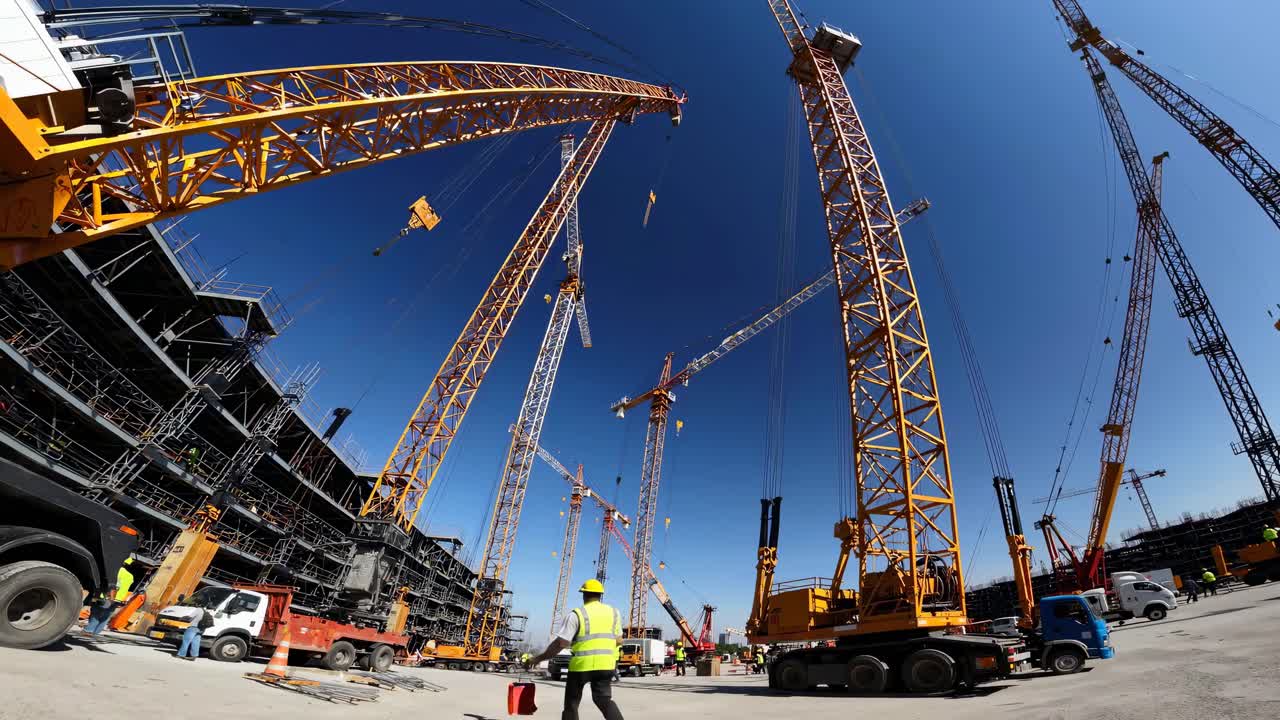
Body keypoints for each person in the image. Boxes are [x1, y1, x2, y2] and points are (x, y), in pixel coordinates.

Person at [525, 579, 623, 720]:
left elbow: (561, 644)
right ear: (600, 595)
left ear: (584, 595)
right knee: (604, 700)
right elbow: (619, 640)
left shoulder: (577, 614)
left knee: (572, 704)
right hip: (606, 665)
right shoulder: (614, 613)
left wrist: (538, 658)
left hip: (581, 667)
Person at [84, 557, 134, 635]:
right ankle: (96, 633)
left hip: (106, 597)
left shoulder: (113, 570)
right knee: (106, 617)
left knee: (96, 613)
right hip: (117, 600)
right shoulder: (130, 576)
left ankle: (89, 630)